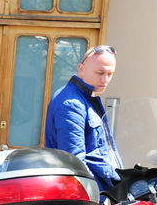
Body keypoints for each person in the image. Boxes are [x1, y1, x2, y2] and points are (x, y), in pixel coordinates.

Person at [44, 45, 121, 192]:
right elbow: (75, 162)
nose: (105, 79)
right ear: (81, 69)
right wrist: (97, 195)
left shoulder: (85, 97)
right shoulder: (72, 103)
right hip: (92, 192)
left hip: (100, 189)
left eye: (110, 74)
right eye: (100, 73)